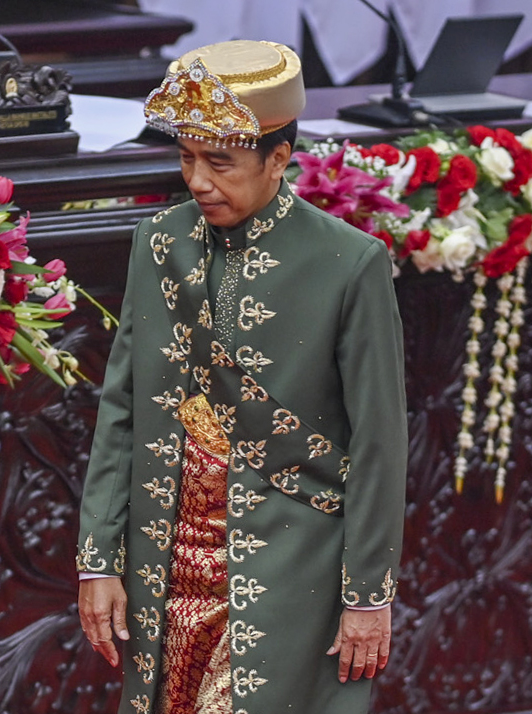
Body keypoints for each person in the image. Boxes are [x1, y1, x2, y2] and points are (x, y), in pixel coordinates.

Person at [76, 39, 407, 714]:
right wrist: (98, 560)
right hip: (164, 567)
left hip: (290, 569)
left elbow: (379, 442)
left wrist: (367, 594)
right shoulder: (160, 242)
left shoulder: (349, 263)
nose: (198, 181)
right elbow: (123, 411)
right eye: (187, 157)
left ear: (279, 160)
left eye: (220, 162)